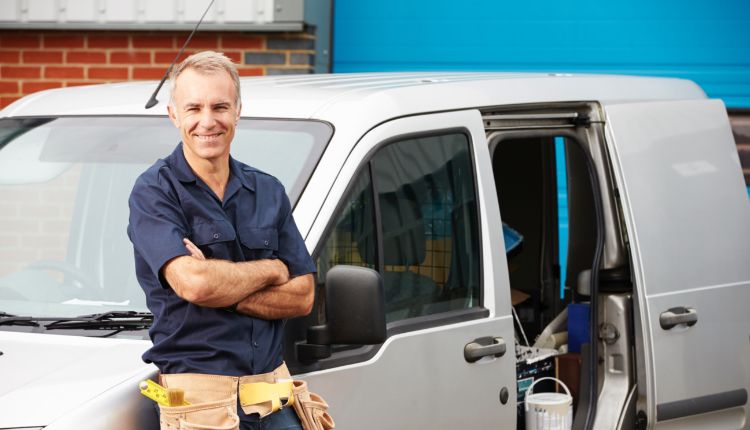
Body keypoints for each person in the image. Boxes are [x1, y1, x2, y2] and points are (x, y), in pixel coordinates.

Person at [127, 51, 315, 430]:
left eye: (220, 107)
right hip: (198, 403)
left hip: (272, 396)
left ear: (238, 110)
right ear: (174, 114)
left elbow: (304, 295)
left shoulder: (268, 190)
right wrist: (273, 269)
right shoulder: (154, 192)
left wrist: (222, 287)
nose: (207, 121)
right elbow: (195, 284)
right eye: (193, 108)